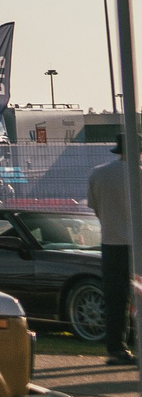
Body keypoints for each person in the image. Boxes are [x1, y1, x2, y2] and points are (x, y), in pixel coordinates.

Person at [87, 139, 135, 364]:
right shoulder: (138, 173)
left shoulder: (98, 174)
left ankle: (116, 348)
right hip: (138, 243)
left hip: (111, 242)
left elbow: (96, 209)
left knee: (115, 298)